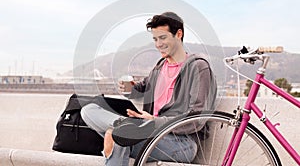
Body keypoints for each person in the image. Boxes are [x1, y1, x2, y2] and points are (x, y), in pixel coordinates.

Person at [80, 11, 217, 165]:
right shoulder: (160, 67)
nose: (158, 44)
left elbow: (197, 118)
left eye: (163, 38)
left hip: (180, 143)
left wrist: (155, 121)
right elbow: (143, 90)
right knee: (88, 110)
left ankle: (125, 129)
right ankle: (124, 127)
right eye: (155, 39)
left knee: (119, 140)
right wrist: (131, 90)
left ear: (178, 34)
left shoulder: (198, 67)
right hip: (149, 132)